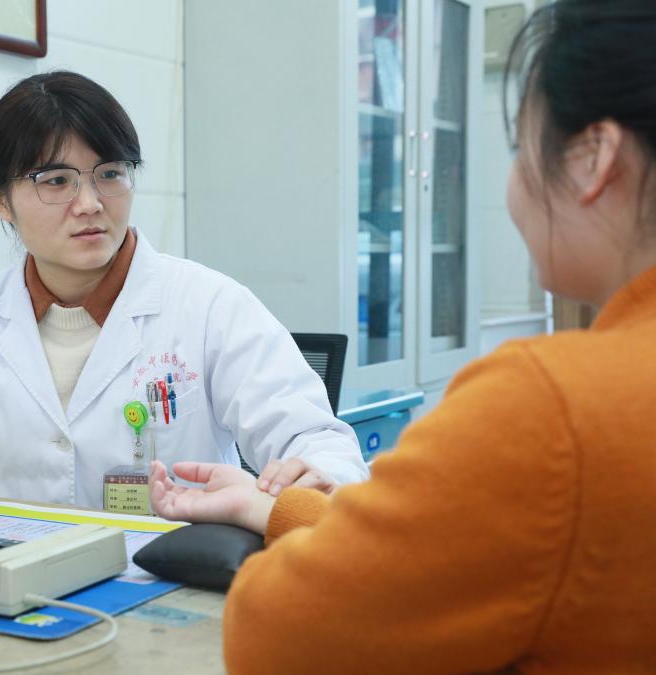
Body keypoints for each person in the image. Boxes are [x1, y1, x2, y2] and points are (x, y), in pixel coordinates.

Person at [148, 1, 656, 672]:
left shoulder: (549, 406)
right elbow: (461, 554)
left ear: (593, 160)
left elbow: (280, 630)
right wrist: (267, 507)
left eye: (519, 149)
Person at [0, 71, 367, 509]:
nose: (90, 203)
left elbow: (316, 441)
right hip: (10, 583)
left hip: (167, 577)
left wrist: (317, 474)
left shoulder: (210, 307)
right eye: (56, 180)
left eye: (109, 173)